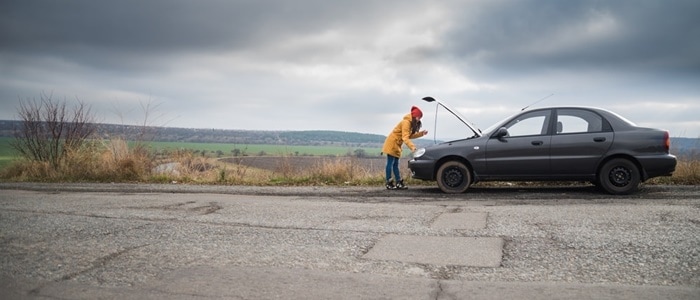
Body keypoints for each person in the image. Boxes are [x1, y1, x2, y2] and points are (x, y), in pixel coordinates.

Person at [382, 106, 428, 190]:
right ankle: (389, 182)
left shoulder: (410, 123)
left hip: (396, 144)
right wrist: (413, 147)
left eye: (420, 118)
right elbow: (405, 138)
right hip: (392, 143)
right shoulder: (406, 122)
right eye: (418, 117)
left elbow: (409, 136)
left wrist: (421, 133)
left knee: (395, 164)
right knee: (390, 163)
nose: (419, 119)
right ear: (414, 116)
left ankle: (398, 182)